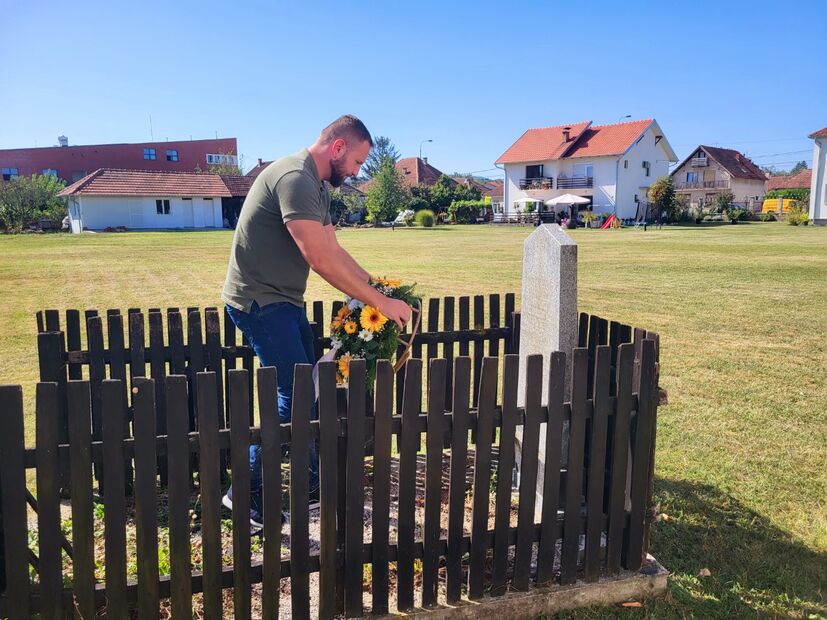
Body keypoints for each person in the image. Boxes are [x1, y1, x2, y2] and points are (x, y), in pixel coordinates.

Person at [220, 115, 412, 531]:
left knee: (308, 391)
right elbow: (319, 259)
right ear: (338, 147)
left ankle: (307, 487)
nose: (359, 171)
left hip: (283, 301)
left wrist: (379, 290)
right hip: (258, 302)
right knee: (293, 398)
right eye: (359, 162)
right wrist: (377, 299)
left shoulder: (318, 187)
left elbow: (335, 249)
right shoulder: (294, 177)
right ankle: (244, 495)